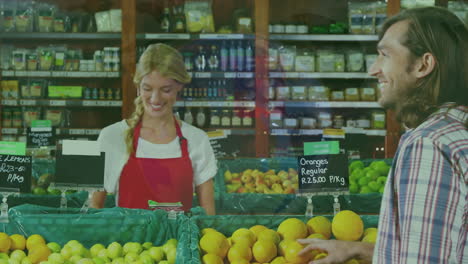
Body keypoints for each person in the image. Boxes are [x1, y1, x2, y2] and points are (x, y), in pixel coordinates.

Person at [298, 7, 468, 264]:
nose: (373, 70)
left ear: (423, 64)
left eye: (384, 55)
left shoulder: (428, 145)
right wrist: (358, 249)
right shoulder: (455, 131)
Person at [91, 43, 217, 215]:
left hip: (179, 241)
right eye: (147, 89)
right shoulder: (112, 136)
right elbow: (93, 207)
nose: (155, 99)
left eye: (166, 90)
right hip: (129, 241)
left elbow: (208, 212)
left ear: (179, 86)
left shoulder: (196, 139)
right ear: (137, 87)